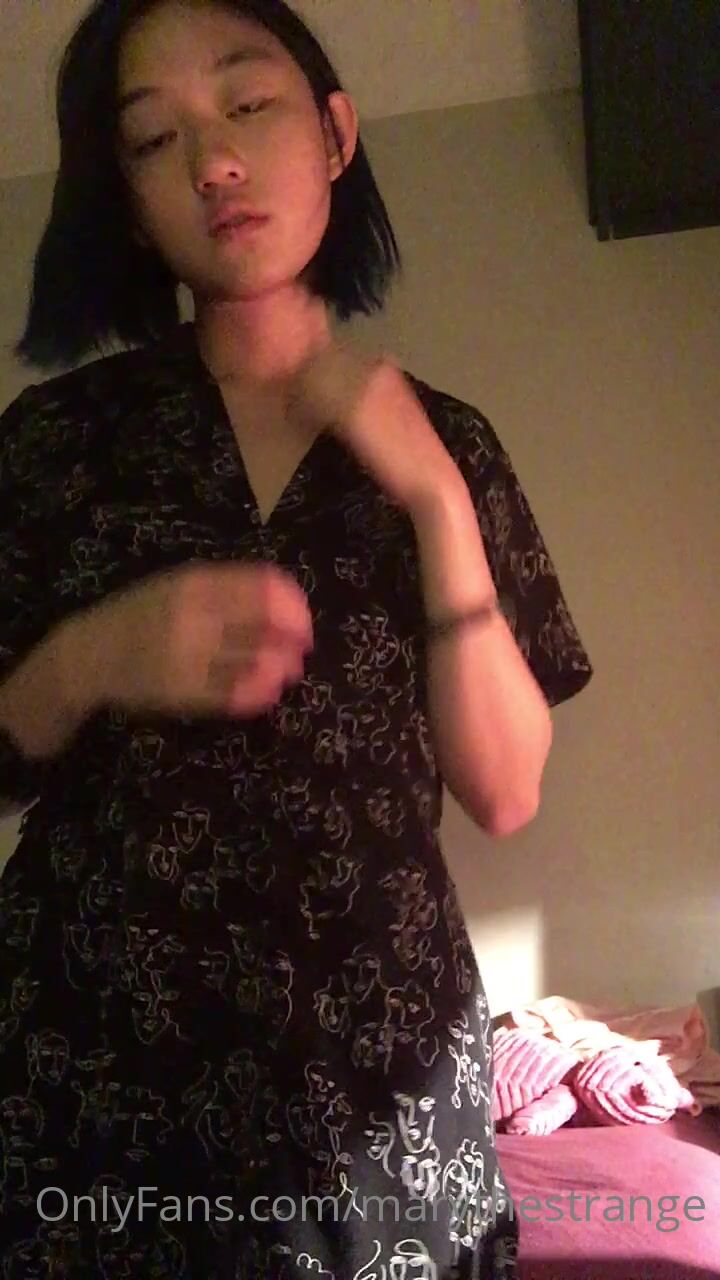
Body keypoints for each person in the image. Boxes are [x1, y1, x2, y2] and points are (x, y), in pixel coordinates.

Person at [0, 1, 593, 1275]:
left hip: (385, 1088)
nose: (213, 160)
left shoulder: (452, 442)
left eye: (247, 104)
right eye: (154, 139)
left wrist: (433, 498)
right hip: (98, 1090)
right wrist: (92, 657)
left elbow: (504, 790)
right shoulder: (51, 446)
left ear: (333, 133)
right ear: (130, 201)